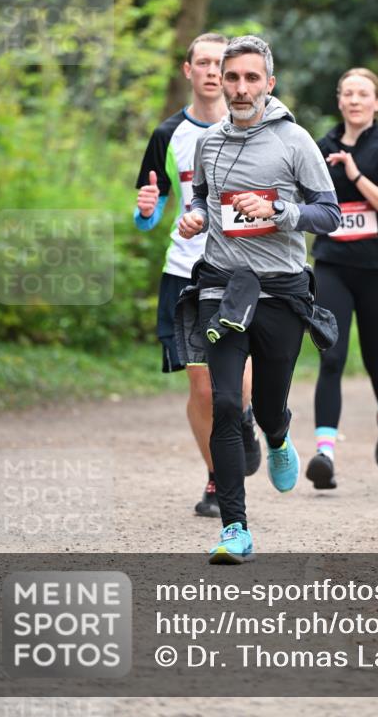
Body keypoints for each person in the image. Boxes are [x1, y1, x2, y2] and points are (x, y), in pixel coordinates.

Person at [178, 35, 340, 563]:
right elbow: (203, 194)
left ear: (269, 83)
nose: (241, 88)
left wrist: (281, 213)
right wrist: (197, 214)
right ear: (220, 82)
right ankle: (235, 529)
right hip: (223, 287)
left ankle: (278, 435)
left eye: (252, 78)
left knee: (268, 405)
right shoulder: (211, 143)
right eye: (233, 78)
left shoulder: (296, 142)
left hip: (281, 291)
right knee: (226, 403)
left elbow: (330, 214)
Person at [134, 32, 260, 518]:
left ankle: (246, 418)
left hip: (240, 270)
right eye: (202, 63)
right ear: (189, 71)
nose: (211, 71)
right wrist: (146, 210)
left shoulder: (255, 130)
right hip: (184, 271)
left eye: (219, 63)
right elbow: (148, 212)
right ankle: (216, 477)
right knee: (203, 390)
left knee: (238, 381)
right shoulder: (168, 135)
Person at [305, 68, 378, 492]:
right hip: (332, 265)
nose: (354, 100)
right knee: (331, 356)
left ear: (376, 103)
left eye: (362, 94)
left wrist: (354, 174)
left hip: (377, 270)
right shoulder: (320, 148)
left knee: (375, 361)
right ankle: (325, 456)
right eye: (347, 93)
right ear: (339, 100)